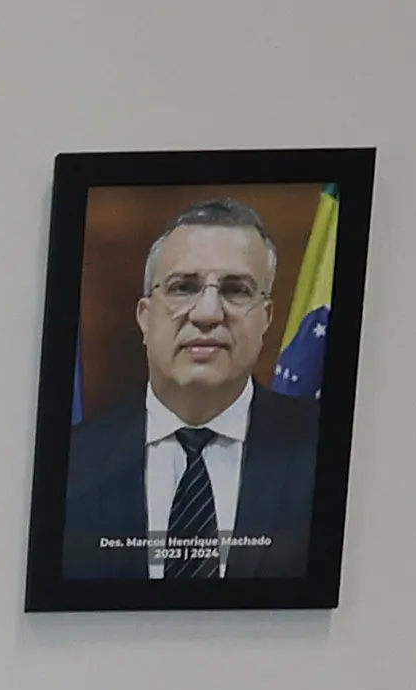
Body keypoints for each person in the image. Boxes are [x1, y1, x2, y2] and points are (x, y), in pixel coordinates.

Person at [57, 201, 320, 582]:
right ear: (145, 317)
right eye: (184, 287)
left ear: (266, 318)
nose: (208, 313)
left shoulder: (324, 452)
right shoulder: (71, 461)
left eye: (237, 290)